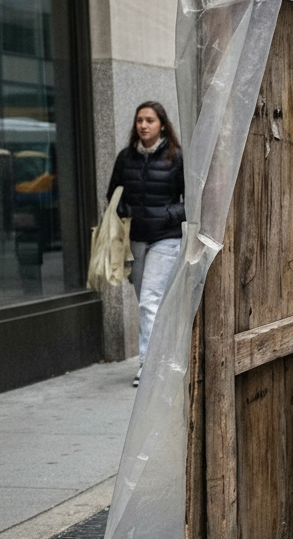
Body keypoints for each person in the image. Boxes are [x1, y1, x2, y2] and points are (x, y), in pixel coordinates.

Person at [106, 101, 184, 387]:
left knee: (150, 299)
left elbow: (192, 201)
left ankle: (147, 365)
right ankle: (164, 354)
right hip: (136, 238)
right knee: (146, 301)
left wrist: (167, 214)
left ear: (162, 124)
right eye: (140, 120)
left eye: (150, 120)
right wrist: (125, 211)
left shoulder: (175, 157)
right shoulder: (126, 157)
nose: (143, 125)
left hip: (166, 238)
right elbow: (113, 194)